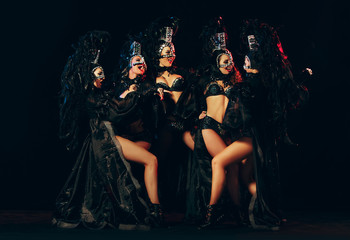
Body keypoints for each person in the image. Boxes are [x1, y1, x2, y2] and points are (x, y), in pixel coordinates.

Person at [199, 19, 309, 230]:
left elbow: (238, 118)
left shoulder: (250, 84)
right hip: (257, 136)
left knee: (219, 162)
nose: (243, 62)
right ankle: (266, 211)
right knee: (245, 177)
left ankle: (211, 214)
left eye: (247, 60)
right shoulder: (261, 81)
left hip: (253, 137)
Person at [52, 30, 163, 230]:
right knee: (147, 162)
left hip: (111, 138)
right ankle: (153, 212)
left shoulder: (106, 92)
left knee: (139, 165)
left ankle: (153, 210)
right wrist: (137, 94)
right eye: (98, 73)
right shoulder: (93, 98)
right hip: (104, 139)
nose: (102, 77)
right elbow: (116, 111)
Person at [185, 17, 250, 225]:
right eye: (225, 61)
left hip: (228, 130)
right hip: (209, 127)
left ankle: (238, 213)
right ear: (216, 62)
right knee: (222, 163)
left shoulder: (237, 82)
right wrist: (198, 114)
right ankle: (211, 213)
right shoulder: (204, 80)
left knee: (233, 167)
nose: (230, 64)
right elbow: (188, 103)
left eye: (231, 61)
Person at [143, 16, 198, 213]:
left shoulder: (183, 73)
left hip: (184, 122)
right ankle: (153, 203)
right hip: (165, 125)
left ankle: (203, 203)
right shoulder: (150, 77)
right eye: (167, 53)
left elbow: (195, 96)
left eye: (173, 53)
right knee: (158, 161)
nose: (171, 56)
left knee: (200, 154)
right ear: (158, 54)